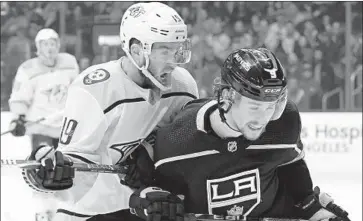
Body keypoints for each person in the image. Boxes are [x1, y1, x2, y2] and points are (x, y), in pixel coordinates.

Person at [125, 48, 350, 221]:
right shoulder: (178, 140)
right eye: (255, 106)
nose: (263, 118)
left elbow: (290, 164)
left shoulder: (283, 122)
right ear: (227, 97)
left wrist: (312, 208)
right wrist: (147, 198)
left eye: (271, 106)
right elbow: (160, 197)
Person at [21, 2, 198, 221]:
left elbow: (183, 148)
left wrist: (150, 152)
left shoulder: (183, 86)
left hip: (147, 208)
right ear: (137, 51)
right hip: (90, 212)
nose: (175, 62)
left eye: (178, 50)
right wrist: (53, 174)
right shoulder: (95, 88)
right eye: (165, 51)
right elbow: (76, 162)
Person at [8, 28, 79, 149]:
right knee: (43, 161)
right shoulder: (27, 69)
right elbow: (19, 98)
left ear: (58, 45)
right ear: (38, 47)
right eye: (45, 44)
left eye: (52, 44)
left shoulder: (69, 63)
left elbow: (78, 90)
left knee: (66, 164)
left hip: (65, 126)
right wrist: (18, 119)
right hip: (40, 127)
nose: (49, 48)